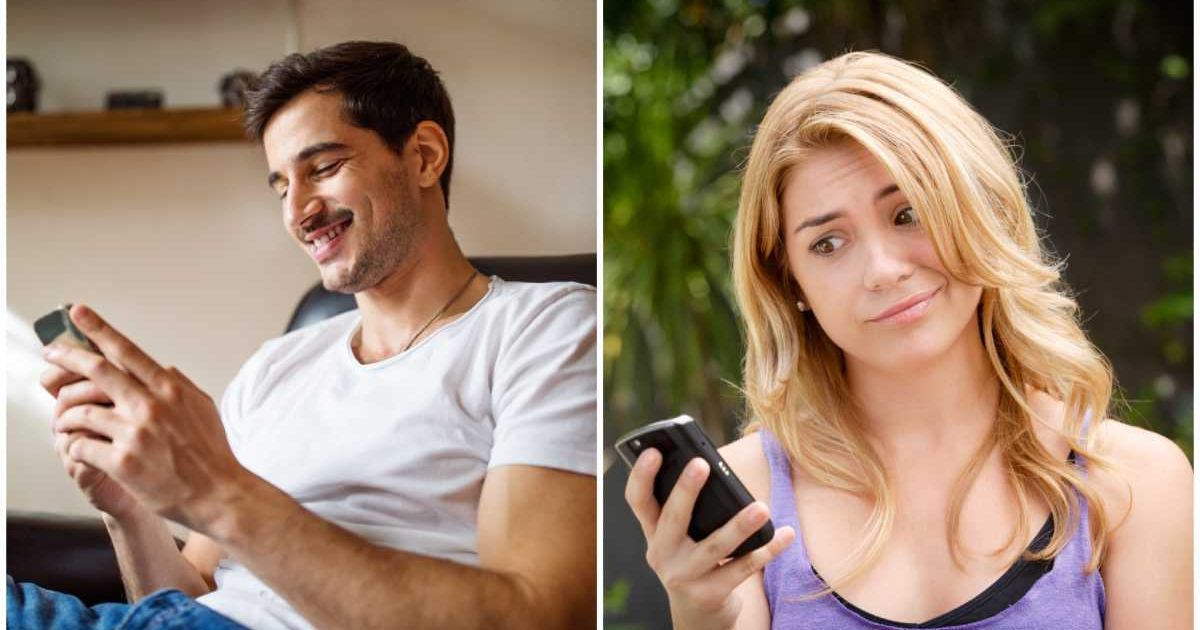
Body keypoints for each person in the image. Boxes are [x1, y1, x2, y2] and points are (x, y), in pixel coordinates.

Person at [10, 41, 596, 629]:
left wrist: (216, 488)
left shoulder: (546, 330)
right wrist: (129, 508)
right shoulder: (278, 367)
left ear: (423, 155)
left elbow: (538, 615)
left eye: (323, 168)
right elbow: (183, 604)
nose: (299, 211)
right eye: (281, 186)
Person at [624, 51, 1192, 629]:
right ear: (790, 280)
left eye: (907, 213)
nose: (883, 269)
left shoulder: (1133, 485)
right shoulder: (746, 496)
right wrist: (701, 612)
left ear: (977, 208)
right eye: (827, 243)